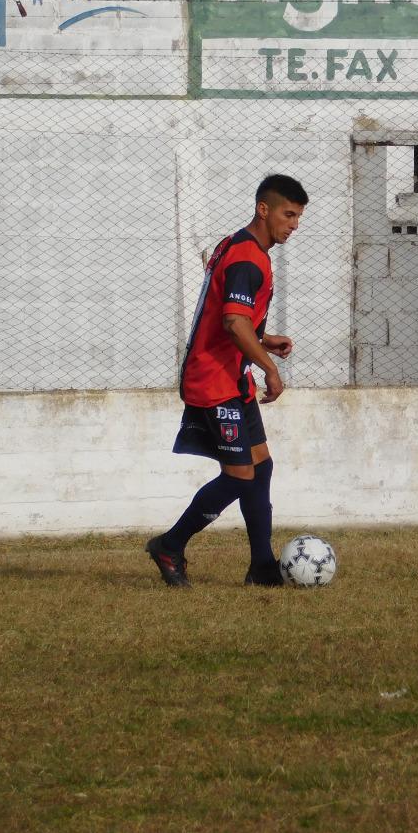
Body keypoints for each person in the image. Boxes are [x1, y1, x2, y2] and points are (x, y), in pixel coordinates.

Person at [146, 175, 307, 588]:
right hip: (214, 381)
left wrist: (264, 341)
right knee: (238, 475)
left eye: (298, 217)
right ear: (263, 209)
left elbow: (229, 317)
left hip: (233, 379)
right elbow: (234, 322)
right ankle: (170, 545)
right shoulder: (247, 259)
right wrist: (270, 368)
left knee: (260, 466)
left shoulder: (237, 245)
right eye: (288, 214)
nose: (294, 225)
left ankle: (262, 567)